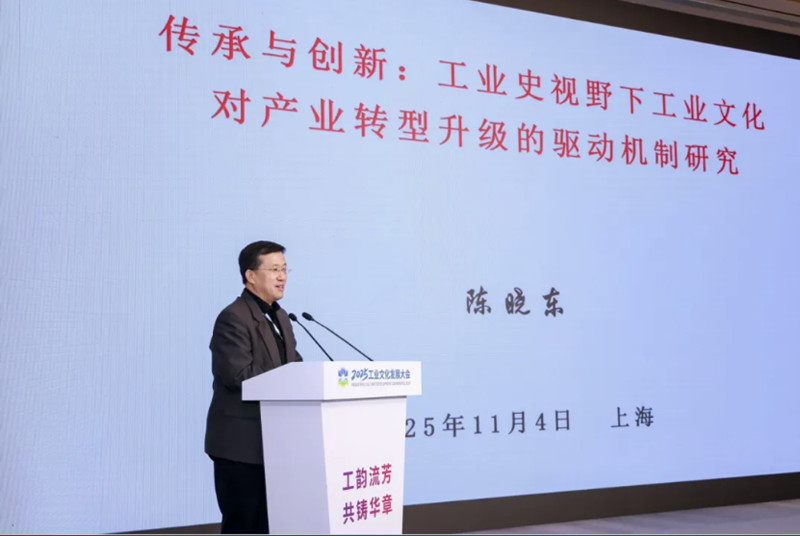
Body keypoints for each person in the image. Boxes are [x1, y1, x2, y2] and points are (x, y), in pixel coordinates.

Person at [204, 240, 302, 534]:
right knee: (244, 525)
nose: (282, 277)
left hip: (275, 443)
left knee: (270, 525)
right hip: (241, 446)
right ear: (250, 275)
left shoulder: (281, 316)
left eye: (284, 269)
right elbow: (237, 375)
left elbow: (294, 365)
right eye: (274, 270)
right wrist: (288, 377)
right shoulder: (233, 317)